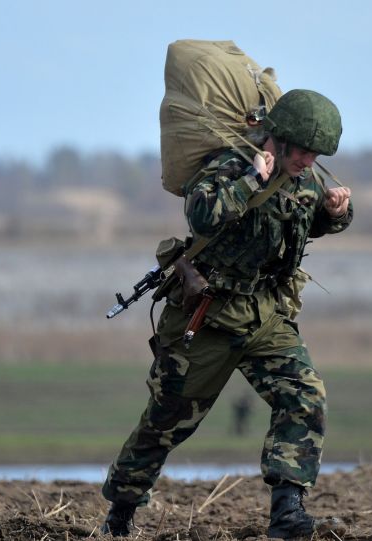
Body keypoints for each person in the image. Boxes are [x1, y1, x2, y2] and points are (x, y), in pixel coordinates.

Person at [101, 89, 353, 539]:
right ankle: (119, 515)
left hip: (265, 315)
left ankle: (288, 513)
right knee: (166, 420)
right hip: (207, 316)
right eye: (303, 151)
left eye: (317, 155)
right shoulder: (230, 166)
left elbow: (305, 222)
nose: (309, 161)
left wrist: (337, 214)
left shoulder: (304, 179)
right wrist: (252, 180)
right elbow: (201, 215)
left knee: (304, 396)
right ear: (279, 139)